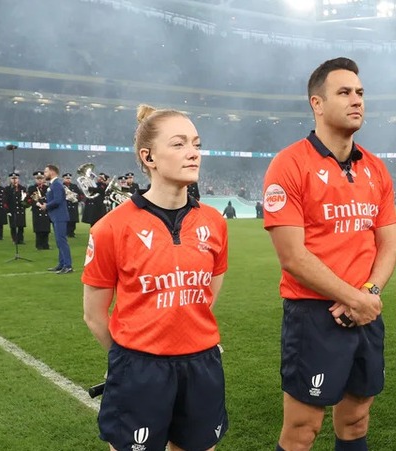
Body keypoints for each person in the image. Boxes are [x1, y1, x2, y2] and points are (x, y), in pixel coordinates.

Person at [262, 57, 396, 451]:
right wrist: (353, 297)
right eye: (344, 92)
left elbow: (388, 242)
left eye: (359, 93)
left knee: (356, 421)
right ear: (316, 104)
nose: (356, 100)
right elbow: (292, 256)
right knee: (303, 430)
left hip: (365, 309)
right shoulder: (288, 165)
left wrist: (368, 292)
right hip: (314, 314)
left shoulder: (376, 168)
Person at [83, 104, 229, 451]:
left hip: (202, 364)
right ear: (148, 157)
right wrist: (129, 360)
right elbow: (93, 315)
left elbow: (206, 296)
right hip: (139, 369)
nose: (193, 153)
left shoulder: (215, 223)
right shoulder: (111, 228)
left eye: (196, 143)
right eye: (179, 144)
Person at [41, 165, 72, 274]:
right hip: (56, 216)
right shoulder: (54, 184)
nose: (44, 174)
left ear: (52, 172)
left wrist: (46, 206)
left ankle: (68, 265)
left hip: (60, 216)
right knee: (59, 241)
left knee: (62, 241)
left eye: (46, 171)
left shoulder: (57, 184)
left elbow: (58, 200)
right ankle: (62, 264)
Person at [26, 170, 51, 250]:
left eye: (41, 178)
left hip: (46, 209)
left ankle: (46, 244)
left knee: (46, 229)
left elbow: (50, 198)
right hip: (37, 210)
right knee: (38, 229)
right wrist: (36, 203)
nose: (40, 180)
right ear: (35, 179)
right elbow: (28, 199)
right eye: (38, 179)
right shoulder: (32, 188)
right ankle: (39, 245)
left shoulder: (47, 188)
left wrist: (47, 205)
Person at [4, 172, 27, 245]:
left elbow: (26, 199)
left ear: (18, 179)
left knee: (21, 226)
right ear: (10, 179)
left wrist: (25, 204)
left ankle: (21, 239)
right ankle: (14, 239)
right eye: (13, 179)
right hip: (12, 210)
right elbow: (5, 201)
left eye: (16, 178)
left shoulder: (22, 188)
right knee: (13, 226)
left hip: (20, 209)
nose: (14, 180)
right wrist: (7, 210)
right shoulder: (7, 189)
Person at [62, 172, 83, 237]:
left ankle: (71, 233)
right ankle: (65, 232)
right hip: (65, 205)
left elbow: (81, 195)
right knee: (65, 220)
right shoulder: (61, 186)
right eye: (66, 178)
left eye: (69, 178)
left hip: (73, 205)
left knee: (73, 220)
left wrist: (76, 199)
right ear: (63, 179)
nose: (68, 180)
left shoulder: (74, 186)